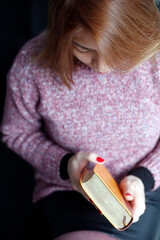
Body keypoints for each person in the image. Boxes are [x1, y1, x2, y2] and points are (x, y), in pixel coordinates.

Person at [1, 0, 160, 239]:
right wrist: (66, 165)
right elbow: (15, 132)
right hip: (67, 191)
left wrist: (144, 176)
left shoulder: (155, 60)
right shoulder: (32, 64)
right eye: (84, 49)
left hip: (148, 188)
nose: (103, 67)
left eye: (118, 50)